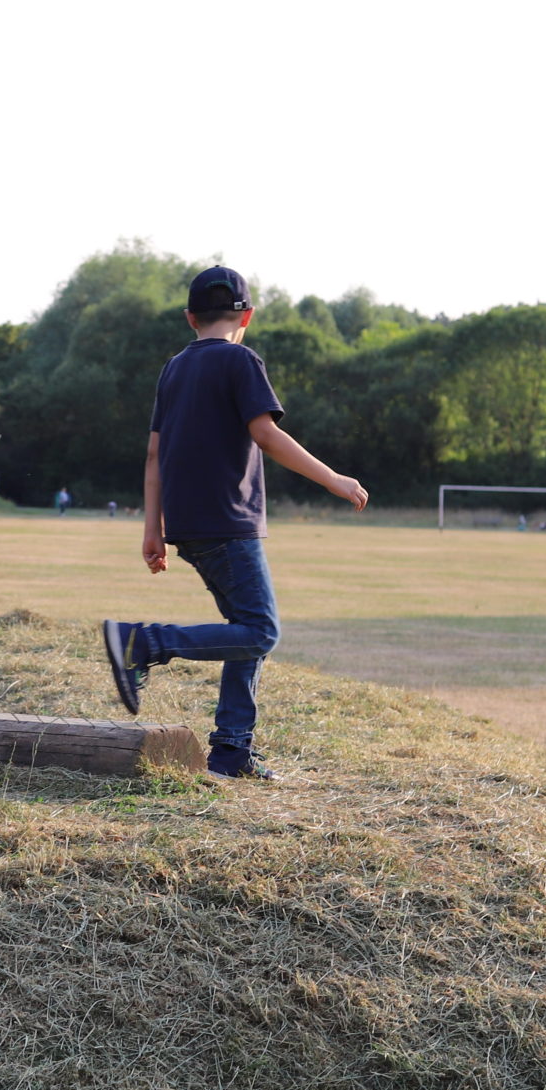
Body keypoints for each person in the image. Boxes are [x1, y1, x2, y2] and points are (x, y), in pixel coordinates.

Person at [101, 266, 368, 779]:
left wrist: (152, 528)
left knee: (242, 629)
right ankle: (144, 643)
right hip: (228, 520)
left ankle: (231, 751)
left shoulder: (174, 367)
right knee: (261, 631)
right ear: (246, 315)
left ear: (189, 317)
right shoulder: (241, 359)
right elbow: (265, 434)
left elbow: (154, 453)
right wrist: (333, 478)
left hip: (188, 523)